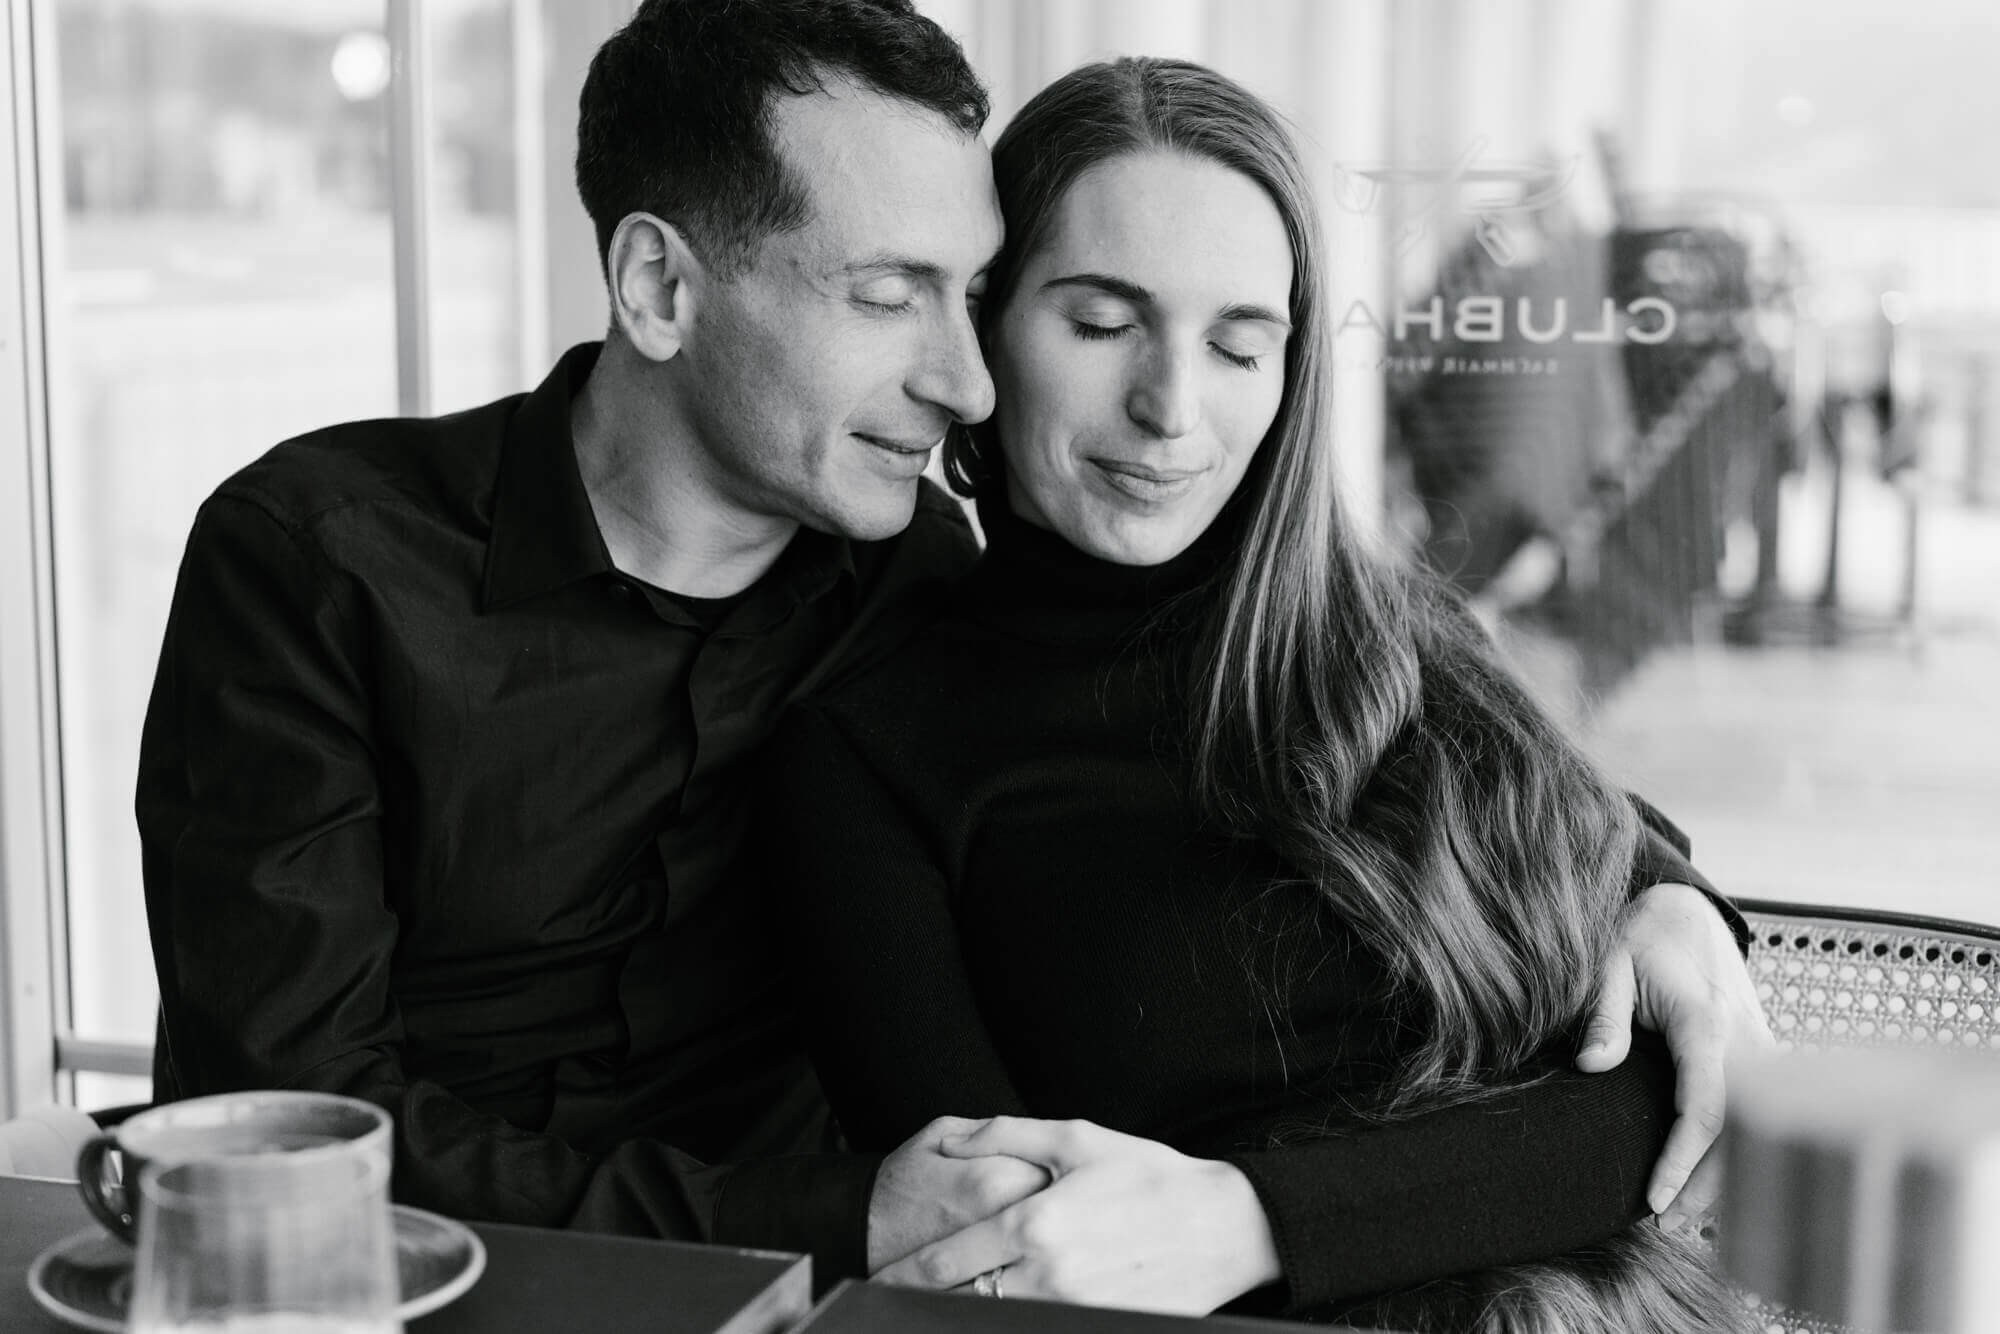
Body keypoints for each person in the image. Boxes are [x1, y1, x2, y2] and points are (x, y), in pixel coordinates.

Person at [137, 0, 1755, 1294]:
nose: (967, 383)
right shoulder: (323, 561)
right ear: (657, 286)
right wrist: (846, 1213)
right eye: (892, 293)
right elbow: (288, 1140)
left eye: (971, 293)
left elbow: (1362, 695)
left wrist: (1653, 877)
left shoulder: (913, 564)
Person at [758, 57, 1763, 1328]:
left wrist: (1248, 1217)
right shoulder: (864, 750)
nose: (1170, 408)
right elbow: (1004, 1244)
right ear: (986, 322)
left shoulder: (1394, 639)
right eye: (1100, 323)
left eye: (1238, 343)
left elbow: (1671, 1105)